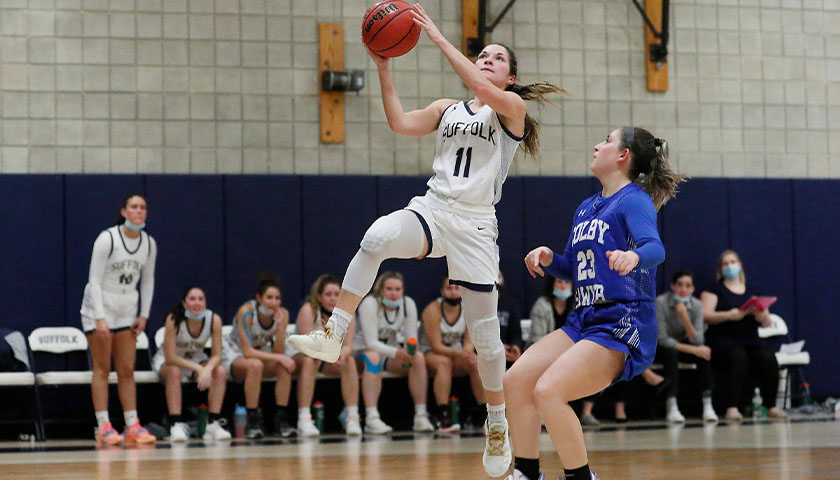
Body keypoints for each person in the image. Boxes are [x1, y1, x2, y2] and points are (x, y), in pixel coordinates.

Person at [288, 5, 563, 474]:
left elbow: (480, 88)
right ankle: (334, 333)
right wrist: (383, 67)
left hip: (476, 224)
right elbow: (398, 122)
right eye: (483, 56)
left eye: (496, 59)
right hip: (434, 209)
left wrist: (436, 37)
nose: (486, 61)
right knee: (375, 238)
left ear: (511, 78)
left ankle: (497, 423)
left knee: (487, 341)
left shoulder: (511, 110)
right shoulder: (447, 110)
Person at [508, 126, 683, 480]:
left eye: (606, 140)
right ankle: (526, 473)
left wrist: (634, 258)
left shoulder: (634, 200)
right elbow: (572, 268)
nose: (596, 145)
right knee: (515, 381)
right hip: (583, 320)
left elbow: (656, 249)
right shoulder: (587, 207)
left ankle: (580, 476)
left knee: (549, 391)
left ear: (623, 156)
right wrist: (548, 258)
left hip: (622, 322)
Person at [81, 193, 157, 446]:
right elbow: (94, 279)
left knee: (126, 370)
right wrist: (100, 318)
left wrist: (144, 314)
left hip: (127, 307)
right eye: (134, 207)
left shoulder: (148, 243)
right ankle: (103, 425)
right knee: (102, 369)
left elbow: (148, 280)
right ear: (124, 211)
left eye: (143, 207)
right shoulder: (108, 238)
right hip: (100, 303)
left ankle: (132, 424)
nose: (139, 211)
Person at [700, 250, 786, 421]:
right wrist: (729, 315)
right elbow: (705, 315)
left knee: (768, 357)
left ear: (739, 265)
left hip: (750, 340)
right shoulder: (713, 289)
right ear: (720, 269)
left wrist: (762, 317)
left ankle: (771, 406)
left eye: (732, 262)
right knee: (738, 356)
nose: (729, 266)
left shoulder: (753, 291)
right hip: (722, 340)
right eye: (725, 263)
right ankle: (732, 407)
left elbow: (767, 322)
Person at [353, 271, 435, 434]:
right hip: (361, 352)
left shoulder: (407, 304)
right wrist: (397, 352)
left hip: (389, 354)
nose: (394, 294)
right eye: (389, 289)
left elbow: (411, 339)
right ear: (380, 290)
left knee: (417, 358)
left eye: (398, 289)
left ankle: (420, 415)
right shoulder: (369, 303)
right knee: (373, 357)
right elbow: (371, 343)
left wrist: (409, 352)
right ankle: (371, 417)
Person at [221, 274, 296, 439]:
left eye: (277, 298)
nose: (274, 302)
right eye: (269, 297)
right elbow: (247, 351)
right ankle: (252, 421)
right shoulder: (246, 312)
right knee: (255, 365)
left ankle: (281, 420)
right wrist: (280, 357)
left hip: (261, 355)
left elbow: (277, 352)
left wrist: (281, 328)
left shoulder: (282, 314)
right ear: (259, 298)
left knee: (284, 366)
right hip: (234, 352)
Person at [153, 287, 231, 441]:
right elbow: (170, 357)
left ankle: (213, 424)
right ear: (184, 303)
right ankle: (176, 424)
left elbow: (217, 355)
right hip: (169, 361)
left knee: (220, 371)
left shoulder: (214, 319)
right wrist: (199, 368)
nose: (197, 303)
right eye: (192, 299)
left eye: (201, 299)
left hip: (196, 359)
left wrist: (207, 369)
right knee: (174, 371)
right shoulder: (173, 319)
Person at [288, 274, 361, 436]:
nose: (333, 298)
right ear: (319, 297)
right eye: (328, 295)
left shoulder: (349, 313)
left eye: (337, 294)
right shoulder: (309, 310)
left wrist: (339, 355)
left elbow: (348, 346)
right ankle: (304, 418)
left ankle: (352, 416)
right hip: (303, 356)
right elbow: (307, 346)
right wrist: (332, 355)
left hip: (329, 358)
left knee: (349, 361)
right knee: (308, 361)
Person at [420, 278, 485, 433]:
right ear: (442, 292)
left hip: (455, 354)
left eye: (457, 288)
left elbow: (469, 340)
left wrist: (467, 353)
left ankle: (485, 412)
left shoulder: (468, 309)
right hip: (430, 353)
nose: (453, 292)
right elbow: (436, 346)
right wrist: (460, 353)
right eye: (449, 288)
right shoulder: (432, 310)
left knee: (475, 362)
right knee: (443, 363)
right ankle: (443, 413)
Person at [655, 269, 718, 423]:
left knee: (704, 354)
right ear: (673, 286)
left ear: (692, 289)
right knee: (672, 354)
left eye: (687, 286)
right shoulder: (661, 302)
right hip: (663, 348)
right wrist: (695, 350)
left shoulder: (696, 305)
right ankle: (672, 405)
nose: (683, 289)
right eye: (680, 285)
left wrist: (684, 317)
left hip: (686, 344)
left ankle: (708, 404)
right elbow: (662, 338)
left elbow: (697, 340)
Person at [527, 275, 574, 348]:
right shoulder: (541, 305)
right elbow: (538, 339)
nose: (563, 286)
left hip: (569, 351)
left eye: (567, 282)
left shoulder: (576, 307)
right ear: (552, 284)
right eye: (559, 282)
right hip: (542, 350)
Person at [496, 271, 523, 368]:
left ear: (502, 279)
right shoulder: (478, 303)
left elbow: (516, 333)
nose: (495, 279)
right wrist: (498, 349)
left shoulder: (510, 304)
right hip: (484, 352)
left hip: (507, 351)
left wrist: (515, 346)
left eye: (498, 276)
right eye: (491, 275)